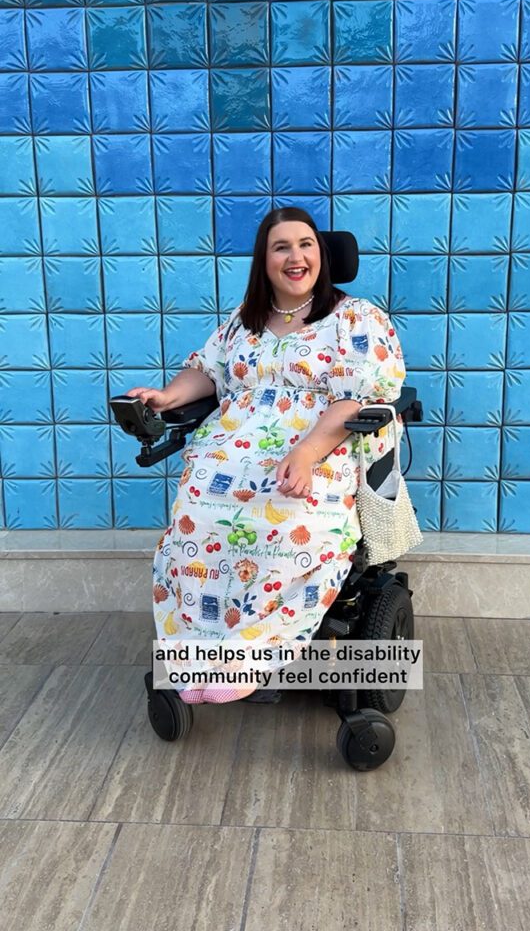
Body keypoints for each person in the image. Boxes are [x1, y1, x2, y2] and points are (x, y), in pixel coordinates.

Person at [126, 206, 406, 705]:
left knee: (282, 523)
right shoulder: (244, 321)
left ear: (322, 255)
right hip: (231, 453)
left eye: (306, 245)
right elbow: (208, 372)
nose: (295, 257)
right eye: (282, 247)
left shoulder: (356, 318)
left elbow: (355, 397)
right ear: (265, 260)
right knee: (195, 519)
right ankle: (202, 652)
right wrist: (169, 396)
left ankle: (253, 652)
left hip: (321, 446)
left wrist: (305, 454)